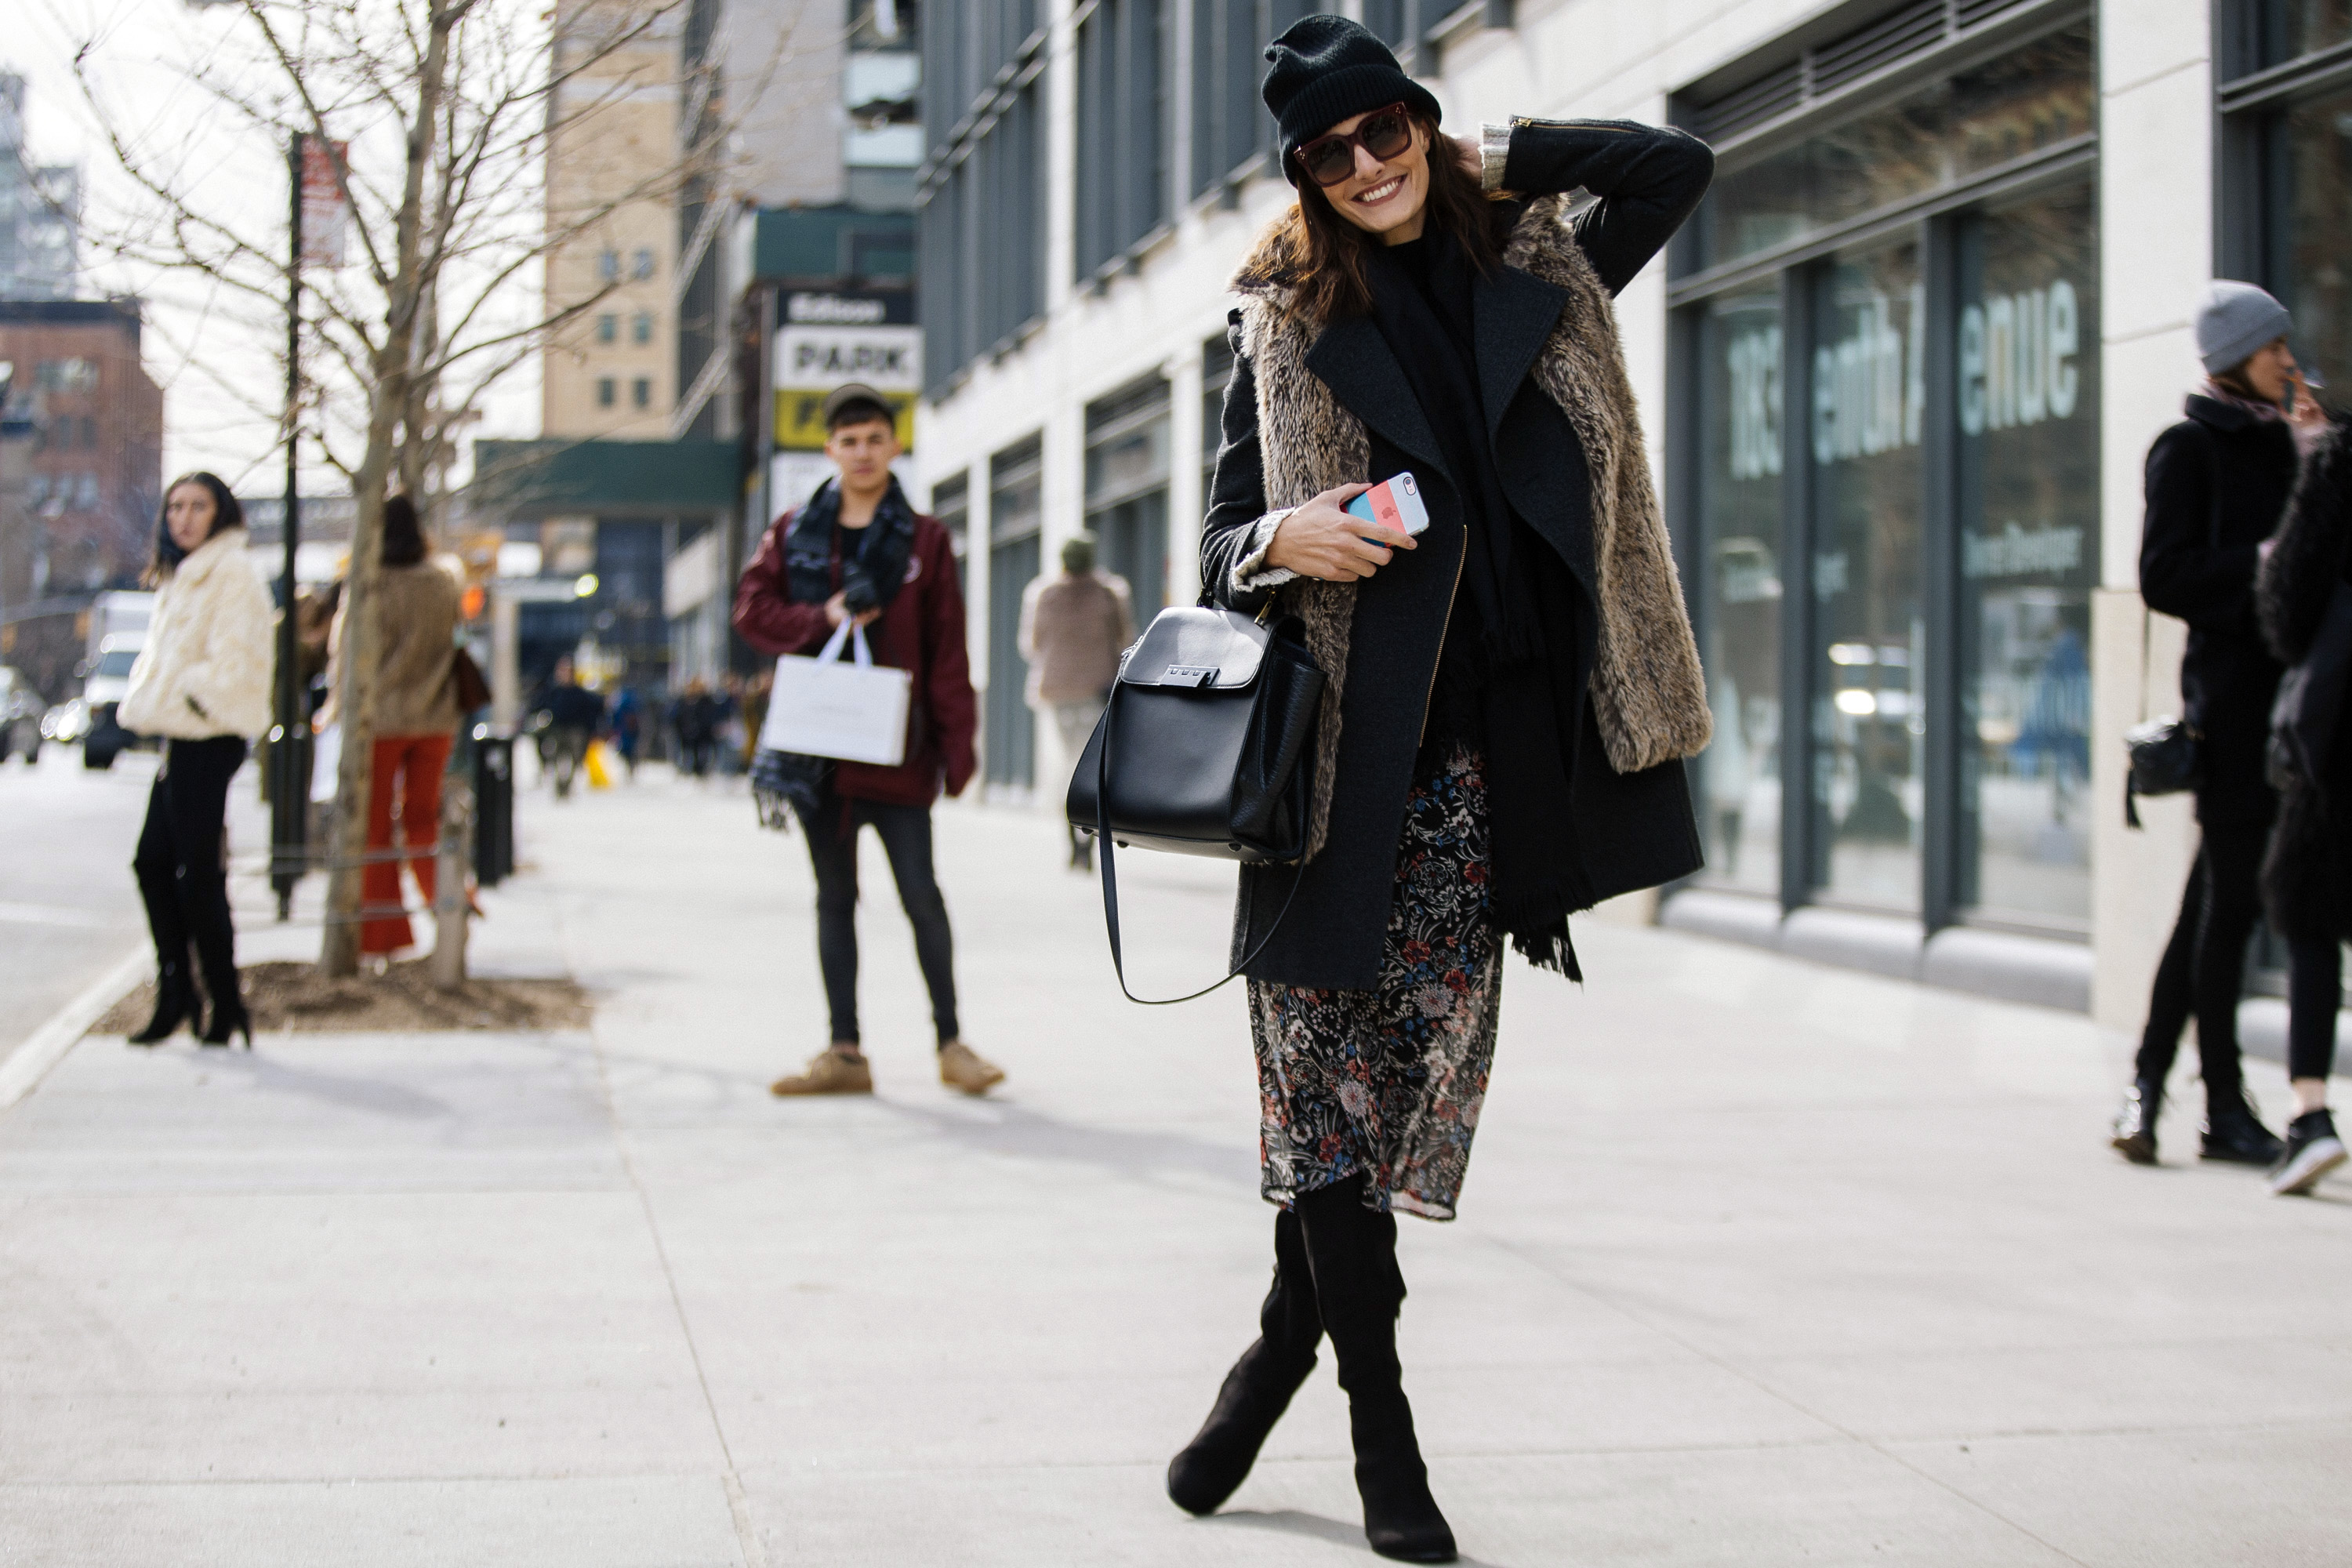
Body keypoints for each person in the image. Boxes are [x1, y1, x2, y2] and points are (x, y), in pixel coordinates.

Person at [1171, 20, 1713, 1563]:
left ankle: (1281, 1341)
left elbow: (1677, 163)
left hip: (1493, 786)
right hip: (1331, 782)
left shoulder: (1543, 263)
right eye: (1328, 155)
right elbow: (1217, 539)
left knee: (1378, 1115)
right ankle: (1382, 1439)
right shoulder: (1276, 318)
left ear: (1423, 123)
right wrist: (1286, 539)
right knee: (1321, 1114)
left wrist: (1501, 151)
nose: (1364, 166)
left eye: (1384, 132)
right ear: (1303, 179)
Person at [732, 381, 1004, 1099]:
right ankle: (844, 1052)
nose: (862, 452)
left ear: (894, 446)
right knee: (834, 897)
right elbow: (752, 614)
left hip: (899, 749)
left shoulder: (923, 540)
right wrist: (819, 616)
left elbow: (949, 647)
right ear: (830, 449)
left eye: (874, 439)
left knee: (922, 895)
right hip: (820, 754)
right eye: (848, 441)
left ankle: (952, 1044)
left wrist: (958, 744)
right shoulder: (793, 532)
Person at [2111, 281, 2326, 1169]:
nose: (2290, 359)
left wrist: (2319, 454)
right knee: (2232, 904)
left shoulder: (2300, 439)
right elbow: (2164, 575)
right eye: (2275, 346)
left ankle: (2147, 1081)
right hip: (2236, 708)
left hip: (2304, 701)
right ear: (2237, 354)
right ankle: (2222, 1104)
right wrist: (2267, 563)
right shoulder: (2191, 448)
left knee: (2216, 900)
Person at [119, 472, 274, 1048]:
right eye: (175, 507)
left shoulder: (230, 573)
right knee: (155, 864)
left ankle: (219, 1002)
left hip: (209, 733)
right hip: (184, 733)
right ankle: (185, 992)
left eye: (197, 506)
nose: (182, 517)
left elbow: (237, 664)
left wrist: (186, 690)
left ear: (221, 513)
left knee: (196, 874)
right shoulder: (185, 574)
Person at [2255, 394, 2352, 1196]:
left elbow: (2287, 614)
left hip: (2338, 746)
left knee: (2312, 917)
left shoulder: (2332, 474)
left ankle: (2311, 1115)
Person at [321, 495, 463, 960]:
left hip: (380, 721)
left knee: (377, 826)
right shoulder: (445, 582)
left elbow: (347, 655)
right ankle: (453, 911)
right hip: (436, 718)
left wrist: (334, 708)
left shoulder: (367, 585)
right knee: (424, 821)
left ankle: (385, 938)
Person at [1018, 532, 1134, 869]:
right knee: (1094, 766)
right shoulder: (1111, 592)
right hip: (1098, 691)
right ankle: (1088, 840)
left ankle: (1072, 837)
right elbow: (1125, 638)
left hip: (1055, 691)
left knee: (1067, 763)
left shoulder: (1042, 593)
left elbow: (1031, 645)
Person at [535, 657, 604, 798]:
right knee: (555, 758)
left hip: (576, 731)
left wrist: (591, 730)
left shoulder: (580, 694)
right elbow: (541, 708)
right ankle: (559, 786)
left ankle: (566, 786)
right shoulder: (553, 692)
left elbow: (593, 709)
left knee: (574, 759)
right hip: (557, 730)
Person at [671, 677, 718, 776]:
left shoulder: (706, 701)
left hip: (702, 733)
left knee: (701, 754)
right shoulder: (683, 700)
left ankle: (700, 770)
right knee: (686, 752)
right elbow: (678, 715)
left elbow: (708, 717)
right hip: (685, 732)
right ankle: (685, 769)